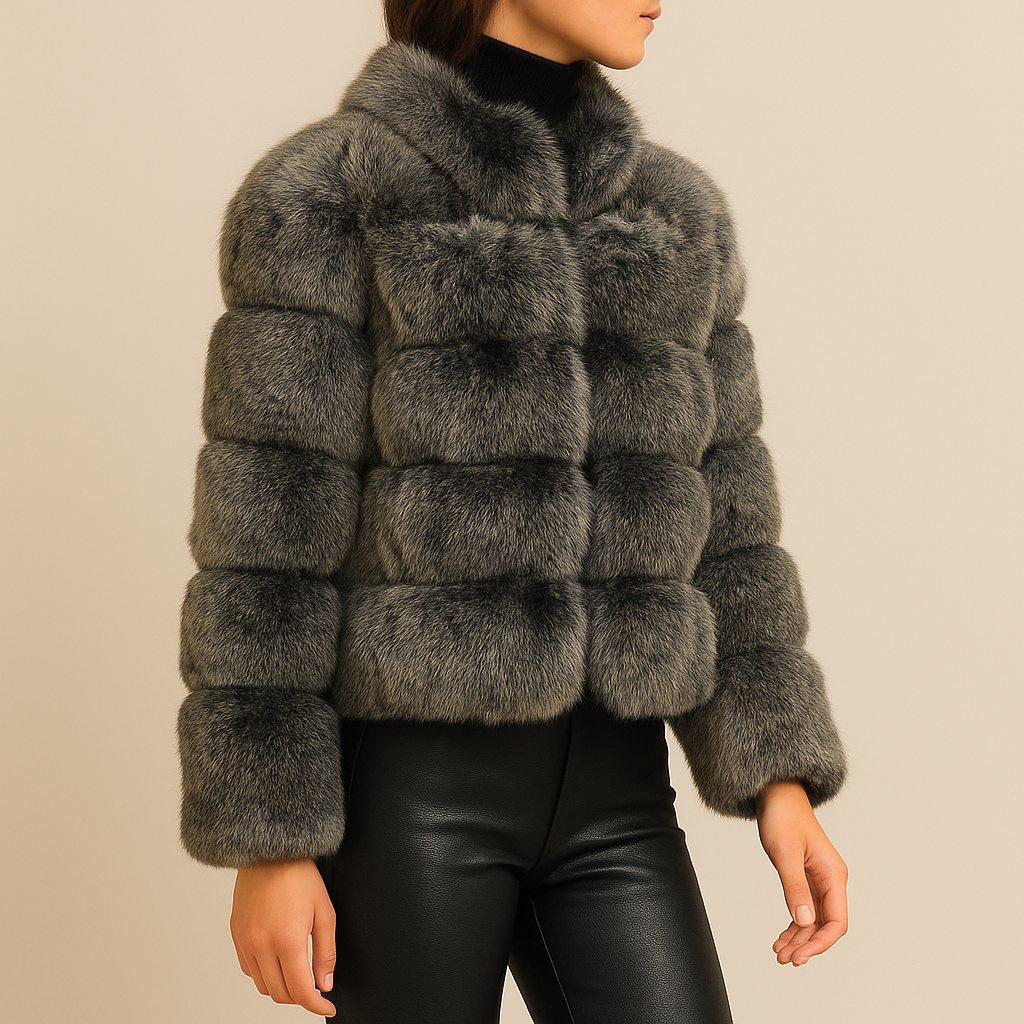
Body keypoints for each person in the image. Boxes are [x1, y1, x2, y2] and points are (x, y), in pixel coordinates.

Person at [174, 2, 851, 1021]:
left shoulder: (677, 216)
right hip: (412, 802)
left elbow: (732, 524)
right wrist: (271, 839)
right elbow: (265, 536)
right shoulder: (327, 196)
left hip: (621, 796)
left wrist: (778, 778)